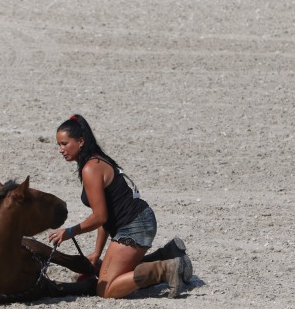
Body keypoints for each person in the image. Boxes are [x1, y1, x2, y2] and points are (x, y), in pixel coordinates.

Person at [48, 114, 193, 298]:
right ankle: (168, 254)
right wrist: (97, 252)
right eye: (58, 145)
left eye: (64, 143)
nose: (61, 150)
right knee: (109, 275)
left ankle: (165, 269)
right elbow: (104, 216)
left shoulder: (90, 168)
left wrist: (69, 232)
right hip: (139, 220)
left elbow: (100, 217)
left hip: (135, 227)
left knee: (106, 289)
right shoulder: (95, 160)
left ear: (81, 141)